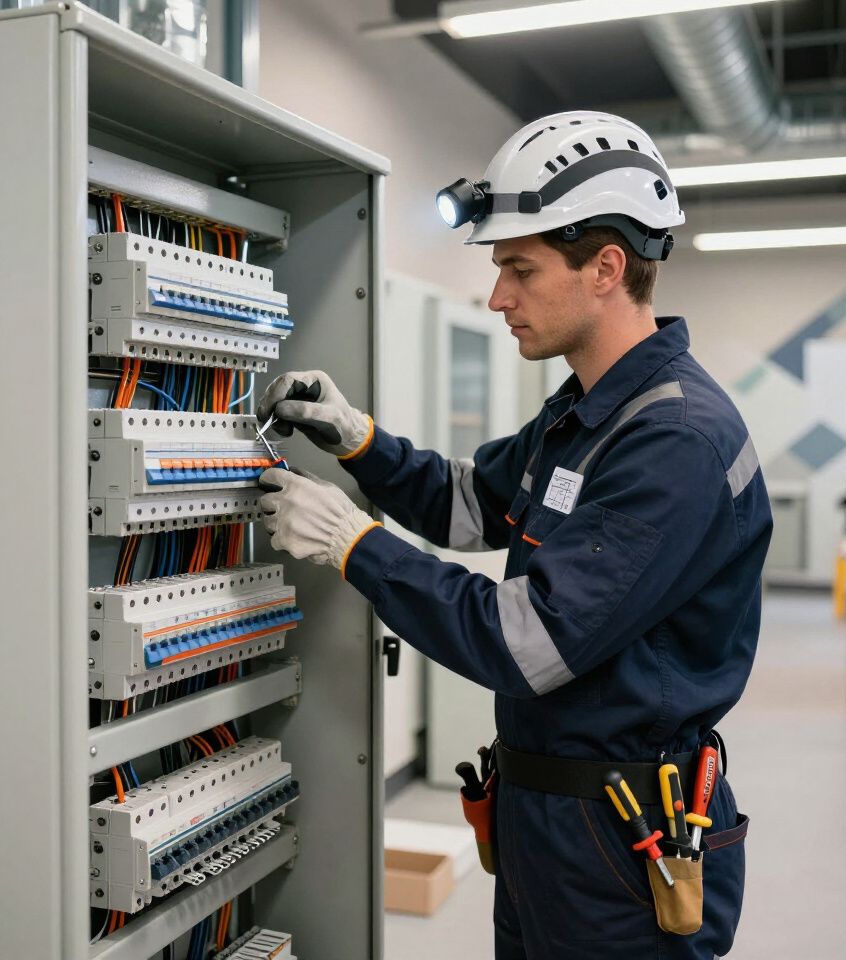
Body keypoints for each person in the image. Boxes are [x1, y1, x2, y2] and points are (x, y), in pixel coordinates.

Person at [257, 111, 772, 959]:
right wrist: (355, 438)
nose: (499, 297)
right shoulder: (587, 412)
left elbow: (526, 641)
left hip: (622, 840)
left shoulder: (674, 441)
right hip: (554, 817)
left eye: (520, 270)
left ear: (606, 267)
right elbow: (471, 504)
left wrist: (354, 544)